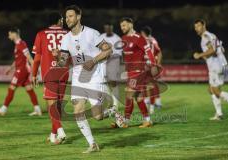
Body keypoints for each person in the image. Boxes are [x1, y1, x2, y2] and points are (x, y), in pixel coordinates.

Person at [54, 5, 112, 153]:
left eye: (71, 16)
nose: (68, 20)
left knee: (97, 116)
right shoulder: (66, 38)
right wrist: (57, 56)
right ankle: (92, 144)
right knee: (78, 110)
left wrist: (93, 60)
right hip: (78, 77)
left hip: (94, 75)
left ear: (79, 17)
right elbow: (63, 61)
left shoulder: (92, 33)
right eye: (66, 17)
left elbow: (108, 50)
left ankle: (110, 111)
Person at [32, 12, 68, 144]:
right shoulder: (67, 34)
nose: (63, 21)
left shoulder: (41, 34)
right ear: (59, 20)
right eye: (62, 19)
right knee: (57, 106)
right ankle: (53, 135)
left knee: (51, 106)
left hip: (49, 73)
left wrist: (34, 74)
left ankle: (60, 131)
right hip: (63, 73)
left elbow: (37, 59)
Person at [193, 19, 228, 120]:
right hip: (219, 64)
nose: (196, 28)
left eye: (198, 26)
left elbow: (213, 50)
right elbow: (221, 49)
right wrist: (205, 55)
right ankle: (219, 114)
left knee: (216, 91)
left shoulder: (205, 36)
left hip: (216, 66)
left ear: (204, 25)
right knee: (211, 89)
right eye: (195, 27)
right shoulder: (212, 35)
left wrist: (200, 55)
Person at [119, 17, 157, 128]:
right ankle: (147, 120)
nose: (122, 28)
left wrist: (153, 65)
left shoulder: (139, 38)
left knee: (129, 95)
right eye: (121, 26)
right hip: (130, 72)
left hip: (138, 72)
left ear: (130, 25)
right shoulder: (123, 38)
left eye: (124, 25)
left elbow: (148, 52)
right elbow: (126, 56)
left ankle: (125, 122)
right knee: (138, 97)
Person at [0, 27, 41, 116]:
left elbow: (29, 57)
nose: (9, 36)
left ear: (14, 34)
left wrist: (35, 69)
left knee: (11, 88)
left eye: (9, 34)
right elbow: (17, 59)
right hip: (21, 70)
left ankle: (3, 109)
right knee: (29, 89)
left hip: (21, 71)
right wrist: (10, 68)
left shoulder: (21, 44)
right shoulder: (17, 44)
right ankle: (37, 109)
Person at [141, 26, 163, 114]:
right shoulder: (153, 40)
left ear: (143, 33)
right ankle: (156, 102)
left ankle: (149, 102)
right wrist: (158, 63)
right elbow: (159, 52)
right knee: (153, 84)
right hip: (153, 64)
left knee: (146, 84)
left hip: (147, 64)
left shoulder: (144, 41)